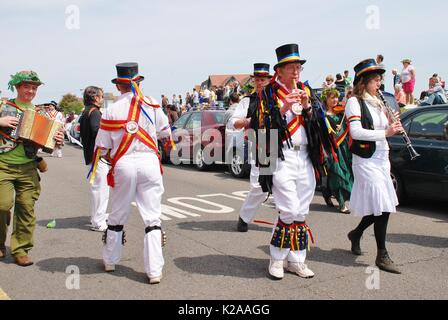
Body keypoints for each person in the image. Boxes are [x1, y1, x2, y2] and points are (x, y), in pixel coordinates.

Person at [251, 44, 336, 280]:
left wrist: (308, 106)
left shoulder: (307, 90)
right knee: (287, 209)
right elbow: (260, 128)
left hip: (305, 156)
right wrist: (284, 106)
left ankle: (296, 261)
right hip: (281, 157)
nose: (297, 71)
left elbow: (320, 125)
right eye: (292, 67)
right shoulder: (267, 93)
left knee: (301, 210)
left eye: (299, 67)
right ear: (280, 70)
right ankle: (276, 259)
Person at [95, 62, 171, 284]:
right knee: (152, 218)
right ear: (138, 83)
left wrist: (114, 159)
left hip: (124, 164)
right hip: (149, 162)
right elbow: (165, 133)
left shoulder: (110, 110)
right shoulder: (153, 104)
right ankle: (154, 271)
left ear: (119, 86)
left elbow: (103, 148)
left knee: (117, 214)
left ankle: (110, 260)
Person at [0, 70, 64, 266]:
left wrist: (58, 140)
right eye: (26, 86)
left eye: (34, 88)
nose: (31, 90)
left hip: (28, 166)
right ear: (17, 87)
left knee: (26, 208)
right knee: (1, 206)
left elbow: (50, 144)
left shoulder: (40, 113)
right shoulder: (3, 106)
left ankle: (21, 249)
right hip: (3, 165)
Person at [345, 58, 403, 274]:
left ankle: (356, 233)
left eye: (380, 80)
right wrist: (386, 132)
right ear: (364, 82)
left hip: (381, 156)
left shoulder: (379, 102)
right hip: (365, 159)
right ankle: (382, 254)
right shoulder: (354, 102)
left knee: (382, 204)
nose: (379, 84)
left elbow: (384, 128)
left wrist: (392, 124)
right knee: (383, 205)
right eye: (375, 80)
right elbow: (356, 132)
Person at [228, 63, 272, 232]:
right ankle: (244, 216)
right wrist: (250, 121)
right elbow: (234, 122)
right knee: (259, 186)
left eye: (264, 79)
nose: (260, 83)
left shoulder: (276, 99)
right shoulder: (248, 101)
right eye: (258, 80)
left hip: (277, 140)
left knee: (281, 184)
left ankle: (285, 222)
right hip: (257, 140)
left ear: (269, 80)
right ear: (254, 82)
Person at [80, 86, 110, 232]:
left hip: (91, 156)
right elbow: (97, 130)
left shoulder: (86, 111)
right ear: (96, 98)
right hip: (97, 157)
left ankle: (96, 217)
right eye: (102, 96)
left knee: (97, 190)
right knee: (101, 190)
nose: (103, 99)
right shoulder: (95, 113)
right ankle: (98, 221)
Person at [320, 88, 353, 213]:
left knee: (345, 172)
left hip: (343, 147)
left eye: (336, 97)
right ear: (326, 99)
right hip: (332, 148)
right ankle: (341, 203)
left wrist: (342, 125)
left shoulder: (341, 113)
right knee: (337, 173)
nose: (335, 100)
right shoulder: (322, 115)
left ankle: (327, 193)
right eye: (332, 97)